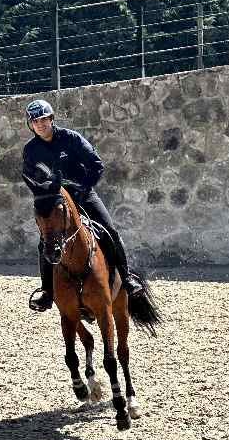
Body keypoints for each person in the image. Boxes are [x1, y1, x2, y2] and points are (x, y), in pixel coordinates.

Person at [22, 98, 144, 312]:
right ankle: (47, 292)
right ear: (30, 125)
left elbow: (96, 165)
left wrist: (83, 188)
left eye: (44, 119)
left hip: (84, 194)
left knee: (110, 232)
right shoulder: (30, 150)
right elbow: (29, 177)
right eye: (35, 121)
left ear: (51, 119)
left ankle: (127, 278)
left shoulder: (71, 138)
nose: (40, 124)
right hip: (55, 201)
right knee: (45, 243)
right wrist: (44, 196)